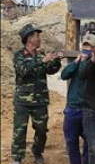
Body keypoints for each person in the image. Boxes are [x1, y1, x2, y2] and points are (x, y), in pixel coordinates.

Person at [11, 23, 63, 164]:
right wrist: (42, 60)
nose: (39, 38)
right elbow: (23, 70)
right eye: (36, 35)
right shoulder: (19, 55)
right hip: (22, 101)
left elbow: (51, 70)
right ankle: (17, 158)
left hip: (40, 101)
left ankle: (37, 152)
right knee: (19, 131)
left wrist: (56, 60)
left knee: (41, 130)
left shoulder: (41, 54)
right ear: (29, 38)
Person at [61, 33, 95, 164]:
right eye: (84, 45)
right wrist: (76, 61)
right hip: (72, 108)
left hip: (88, 109)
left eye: (89, 46)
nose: (86, 49)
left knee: (90, 140)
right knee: (71, 141)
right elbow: (64, 75)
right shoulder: (77, 62)